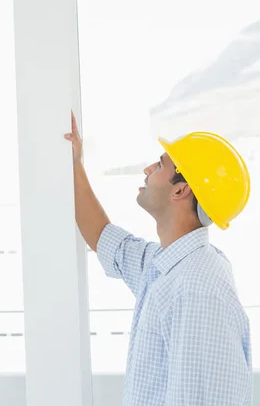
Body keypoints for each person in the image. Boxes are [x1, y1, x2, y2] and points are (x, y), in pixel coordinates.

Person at [64, 112, 252, 406]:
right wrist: (73, 163)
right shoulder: (166, 266)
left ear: (180, 190)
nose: (148, 168)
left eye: (161, 164)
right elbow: (104, 237)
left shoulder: (196, 288)